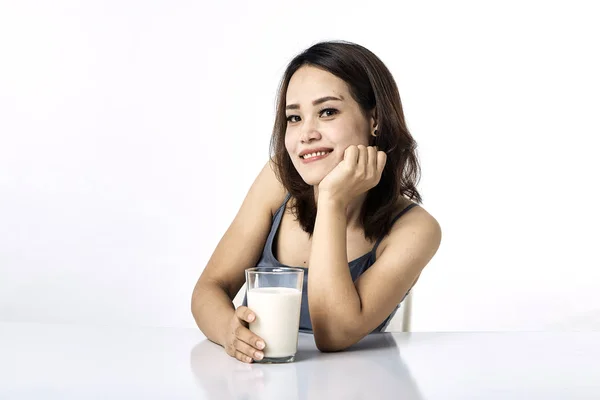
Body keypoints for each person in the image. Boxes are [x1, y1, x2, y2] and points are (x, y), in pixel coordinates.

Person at [191, 40, 441, 363]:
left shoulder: (416, 229)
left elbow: (333, 334)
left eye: (327, 112)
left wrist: (332, 201)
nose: (306, 133)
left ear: (374, 120)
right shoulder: (276, 180)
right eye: (294, 118)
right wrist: (228, 329)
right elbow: (208, 289)